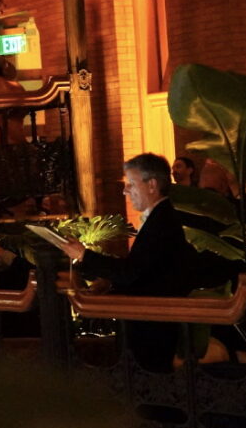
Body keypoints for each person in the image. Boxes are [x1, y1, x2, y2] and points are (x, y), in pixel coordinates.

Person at [59, 153, 195, 373]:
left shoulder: (162, 221)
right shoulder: (158, 217)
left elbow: (131, 272)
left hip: (152, 327)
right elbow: (140, 268)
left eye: (131, 184)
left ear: (151, 185)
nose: (125, 191)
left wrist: (85, 255)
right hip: (148, 323)